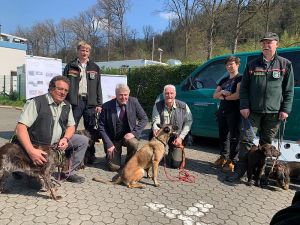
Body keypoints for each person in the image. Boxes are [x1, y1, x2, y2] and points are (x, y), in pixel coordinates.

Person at [227, 32, 294, 182]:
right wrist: (244, 106)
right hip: (253, 112)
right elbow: (244, 88)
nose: (266, 45)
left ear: (277, 44)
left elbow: (289, 90)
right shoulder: (252, 64)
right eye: (264, 43)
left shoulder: (285, 64)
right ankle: (240, 171)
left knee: (266, 144)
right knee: (246, 141)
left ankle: (261, 174)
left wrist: (285, 110)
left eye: (269, 43)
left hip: (274, 113)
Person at [14, 76, 89, 183]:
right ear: (50, 88)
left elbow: (71, 126)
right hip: (37, 146)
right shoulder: (36, 102)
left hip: (55, 144)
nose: (63, 92)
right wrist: (31, 151)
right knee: (37, 185)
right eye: (60, 89)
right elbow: (20, 129)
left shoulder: (67, 105)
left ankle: (68, 172)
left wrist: (66, 139)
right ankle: (19, 168)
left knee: (83, 140)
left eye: (66, 90)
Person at [63, 40, 102, 163]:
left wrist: (99, 103)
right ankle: (68, 154)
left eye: (87, 50)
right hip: (75, 102)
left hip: (90, 103)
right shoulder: (70, 66)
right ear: (78, 51)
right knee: (71, 127)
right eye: (82, 50)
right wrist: (65, 101)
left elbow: (98, 86)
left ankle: (90, 156)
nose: (84, 52)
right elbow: (64, 84)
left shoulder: (95, 67)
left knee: (90, 131)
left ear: (89, 52)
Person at [99, 83, 148, 171]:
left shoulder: (134, 102)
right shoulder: (106, 106)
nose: (123, 97)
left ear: (128, 94)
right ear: (116, 94)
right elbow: (101, 127)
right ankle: (110, 156)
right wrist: (108, 144)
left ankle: (129, 163)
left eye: (125, 95)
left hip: (128, 137)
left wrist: (133, 133)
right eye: (120, 95)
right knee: (114, 167)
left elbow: (144, 118)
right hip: (113, 139)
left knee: (134, 143)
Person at [152, 84, 193, 169]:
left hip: (176, 137)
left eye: (171, 93)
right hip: (162, 135)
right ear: (163, 94)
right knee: (154, 158)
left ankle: (173, 152)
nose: (169, 96)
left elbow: (189, 122)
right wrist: (155, 129)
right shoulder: (157, 105)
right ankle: (162, 152)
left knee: (175, 164)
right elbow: (156, 121)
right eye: (167, 93)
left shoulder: (183, 106)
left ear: (175, 94)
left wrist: (181, 138)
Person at [213, 56, 242, 172]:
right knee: (223, 136)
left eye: (232, 64)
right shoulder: (223, 80)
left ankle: (232, 161)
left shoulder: (240, 78)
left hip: (234, 112)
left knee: (234, 137)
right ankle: (223, 157)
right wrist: (223, 93)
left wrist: (223, 96)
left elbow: (238, 95)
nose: (229, 66)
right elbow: (214, 95)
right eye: (227, 65)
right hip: (223, 111)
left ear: (237, 65)